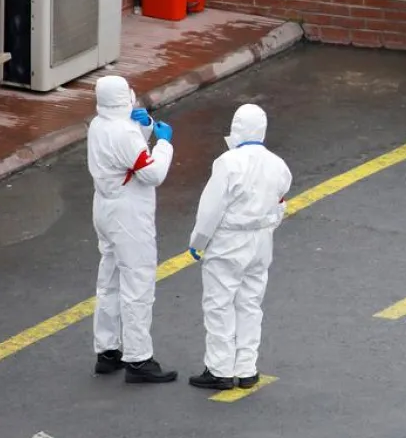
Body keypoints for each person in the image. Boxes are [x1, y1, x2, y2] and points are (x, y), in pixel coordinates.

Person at [186, 104, 293, 391]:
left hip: (229, 242)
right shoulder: (278, 165)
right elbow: (280, 203)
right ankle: (247, 368)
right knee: (250, 303)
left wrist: (198, 241)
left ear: (237, 127)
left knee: (219, 303)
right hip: (261, 241)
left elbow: (211, 208)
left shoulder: (228, 162)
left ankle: (220, 369)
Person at [88, 75, 177, 383]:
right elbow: (152, 173)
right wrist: (164, 142)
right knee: (137, 283)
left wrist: (147, 127)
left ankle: (107, 351)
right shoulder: (124, 132)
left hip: (104, 207)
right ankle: (139, 359)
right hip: (128, 213)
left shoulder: (99, 124)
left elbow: (127, 152)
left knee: (109, 280)